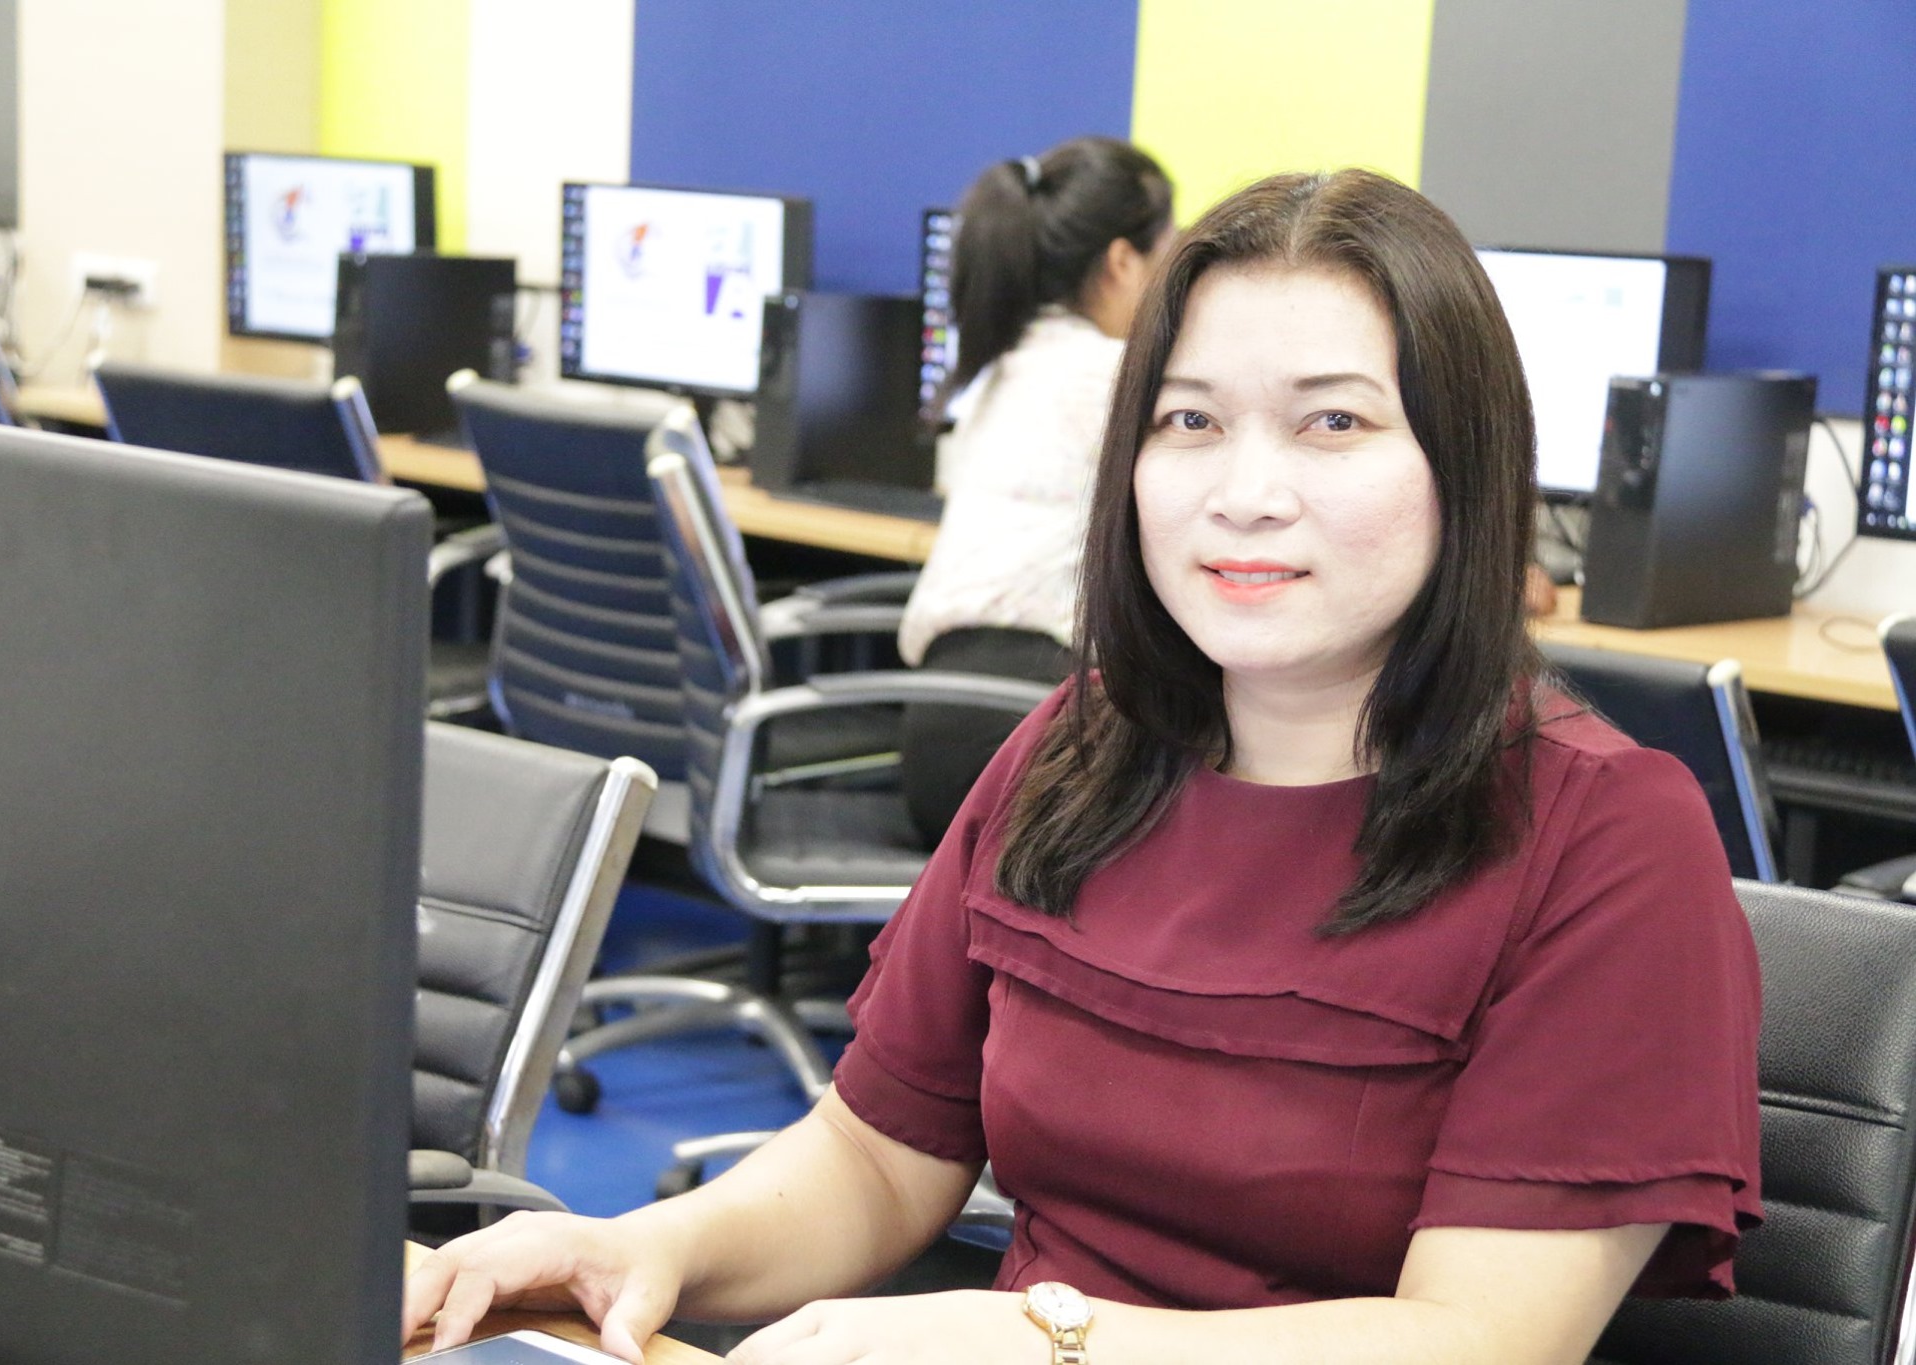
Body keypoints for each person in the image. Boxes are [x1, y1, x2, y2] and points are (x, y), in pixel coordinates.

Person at [403, 169, 1762, 1365]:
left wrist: (1047, 1339)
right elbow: (877, 1158)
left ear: (1463, 463)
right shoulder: (1084, 745)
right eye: (1189, 422)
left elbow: (1480, 1341)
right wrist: (642, 1249)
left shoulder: (1605, 836)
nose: (1244, 492)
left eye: (1332, 424)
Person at [899, 136, 1174, 844]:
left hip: (943, 731)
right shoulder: (1115, 377)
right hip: (1030, 741)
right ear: (1123, 262)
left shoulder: (1002, 368)